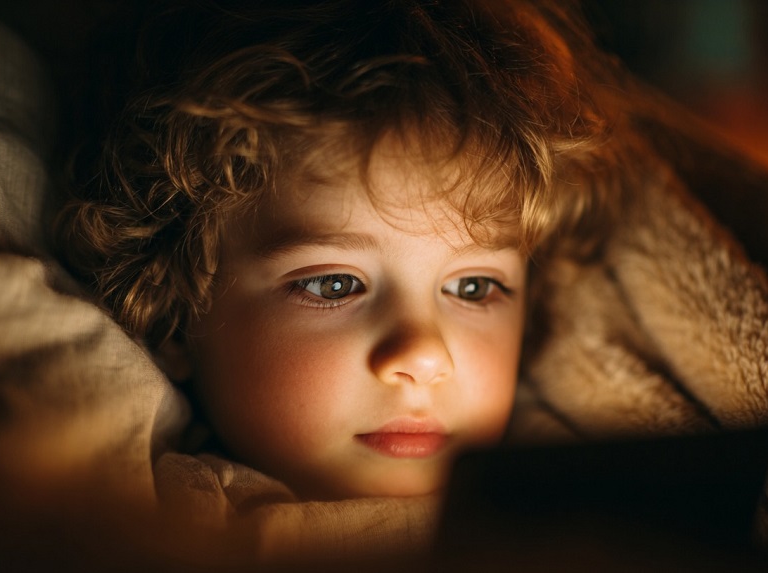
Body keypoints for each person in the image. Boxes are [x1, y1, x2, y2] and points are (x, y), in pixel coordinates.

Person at [56, 0, 633, 500]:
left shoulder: (573, 513)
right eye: (334, 284)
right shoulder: (143, 524)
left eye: (473, 287)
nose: (425, 356)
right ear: (175, 316)